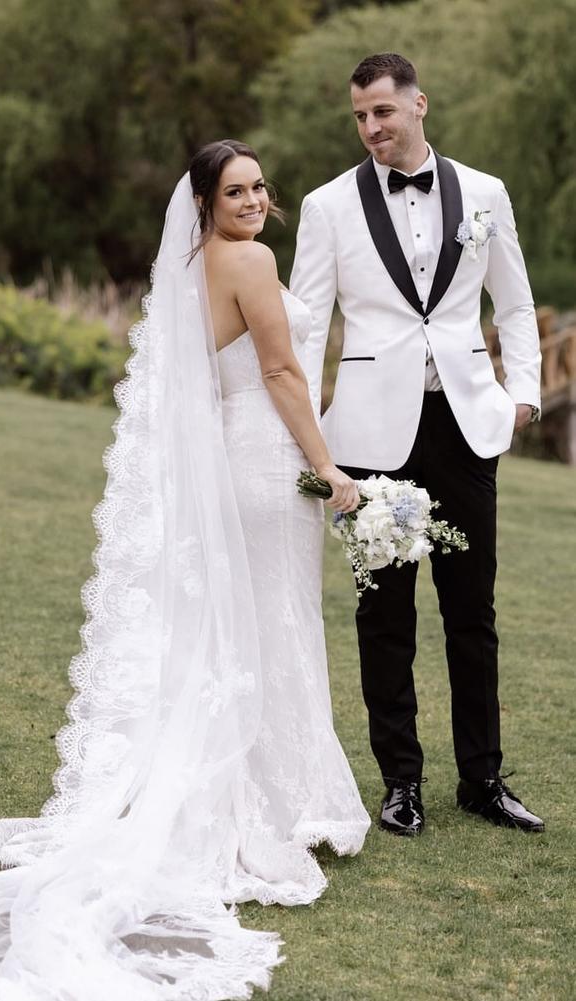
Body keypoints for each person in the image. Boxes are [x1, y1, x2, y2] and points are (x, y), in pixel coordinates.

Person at [0, 141, 369, 999]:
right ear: (203, 201)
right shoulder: (250, 259)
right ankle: (266, 804)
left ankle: (263, 786)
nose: (251, 200)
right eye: (233, 190)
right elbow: (280, 369)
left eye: (258, 187)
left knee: (244, 621)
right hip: (268, 455)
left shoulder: (190, 267)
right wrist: (333, 467)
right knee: (275, 619)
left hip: (230, 459)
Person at [290, 52, 545, 837]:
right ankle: (401, 781)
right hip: (370, 435)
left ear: (419, 105)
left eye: (383, 112)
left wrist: (524, 392)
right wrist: (305, 436)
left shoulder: (487, 194)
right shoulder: (327, 206)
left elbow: (516, 298)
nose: (371, 128)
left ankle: (484, 778)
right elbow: (305, 327)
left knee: (473, 610)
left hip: (466, 427)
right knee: (385, 613)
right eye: (360, 116)